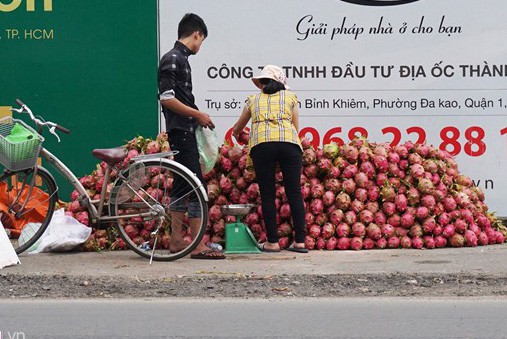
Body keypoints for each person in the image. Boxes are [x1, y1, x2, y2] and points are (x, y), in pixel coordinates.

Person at [158, 13, 225, 259]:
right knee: (197, 185)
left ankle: (176, 240)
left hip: (183, 130)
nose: (200, 46)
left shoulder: (179, 59)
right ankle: (197, 245)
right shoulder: (174, 59)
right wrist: (197, 115)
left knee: (182, 184)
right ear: (196, 34)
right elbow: (166, 98)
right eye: (201, 40)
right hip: (181, 130)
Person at [232, 65, 308, 253]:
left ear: (262, 83)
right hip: (289, 144)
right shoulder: (291, 97)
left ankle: (272, 242)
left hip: (262, 145)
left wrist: (236, 134)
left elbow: (238, 128)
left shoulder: (253, 99)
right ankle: (300, 242)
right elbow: (295, 127)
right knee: (294, 193)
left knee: (267, 194)